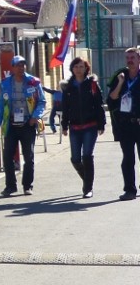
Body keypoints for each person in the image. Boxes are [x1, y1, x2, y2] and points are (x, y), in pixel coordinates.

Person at [0, 55, 46, 197]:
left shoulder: (33, 83)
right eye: (17, 65)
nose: (20, 68)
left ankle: (27, 186)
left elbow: (42, 101)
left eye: (23, 65)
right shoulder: (5, 84)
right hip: (10, 124)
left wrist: (35, 117)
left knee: (28, 156)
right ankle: (10, 186)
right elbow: (0, 104)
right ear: (12, 67)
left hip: (27, 124)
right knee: (7, 157)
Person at [59, 57, 106, 198]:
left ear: (86, 69)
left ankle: (88, 188)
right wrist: (64, 125)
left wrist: (101, 123)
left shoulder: (92, 84)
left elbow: (99, 105)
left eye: (81, 66)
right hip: (74, 127)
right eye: (76, 66)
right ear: (72, 68)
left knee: (87, 156)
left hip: (90, 126)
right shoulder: (68, 86)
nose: (79, 69)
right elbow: (65, 107)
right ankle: (87, 179)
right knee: (75, 159)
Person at [107, 47, 140, 201]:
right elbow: (112, 98)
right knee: (128, 158)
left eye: (132, 57)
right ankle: (129, 190)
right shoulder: (120, 75)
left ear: (139, 59)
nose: (129, 60)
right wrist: (120, 83)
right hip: (125, 125)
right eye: (127, 58)